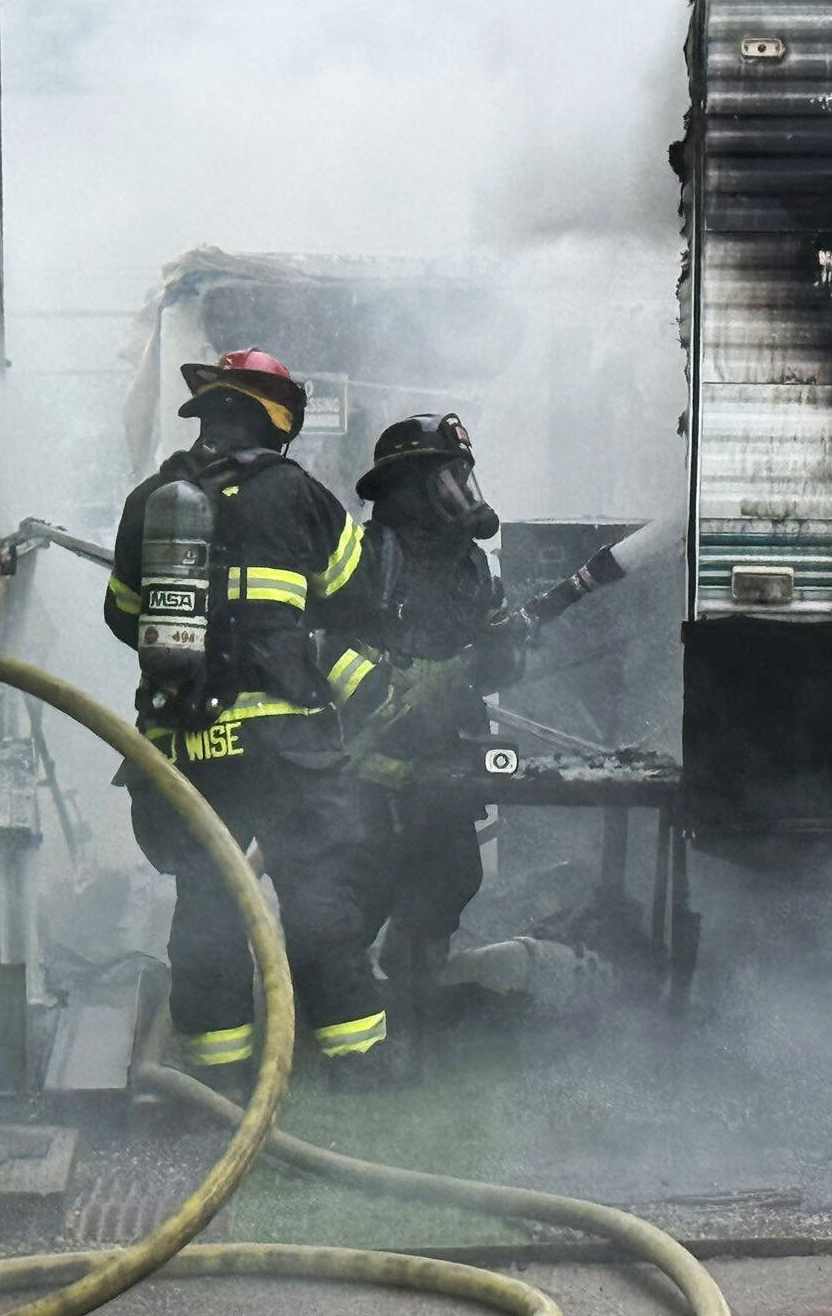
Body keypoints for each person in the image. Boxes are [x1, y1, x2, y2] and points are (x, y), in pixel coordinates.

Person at [104, 348, 397, 1085]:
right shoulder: (300, 496)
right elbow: (356, 603)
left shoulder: (149, 501)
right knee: (319, 897)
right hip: (284, 747)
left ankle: (215, 1076)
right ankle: (356, 1058)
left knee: (206, 906)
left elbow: (122, 616)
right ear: (276, 419)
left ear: (207, 415)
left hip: (186, 745)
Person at [325, 414, 526, 1002]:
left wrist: (505, 651)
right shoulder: (366, 558)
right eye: (446, 480)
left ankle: (416, 995)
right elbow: (322, 646)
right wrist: (382, 692)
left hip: (448, 760)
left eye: (463, 477)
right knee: (361, 893)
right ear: (407, 490)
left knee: (453, 877)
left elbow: (491, 668)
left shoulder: (470, 564)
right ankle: (331, 1005)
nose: (461, 493)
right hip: (368, 767)